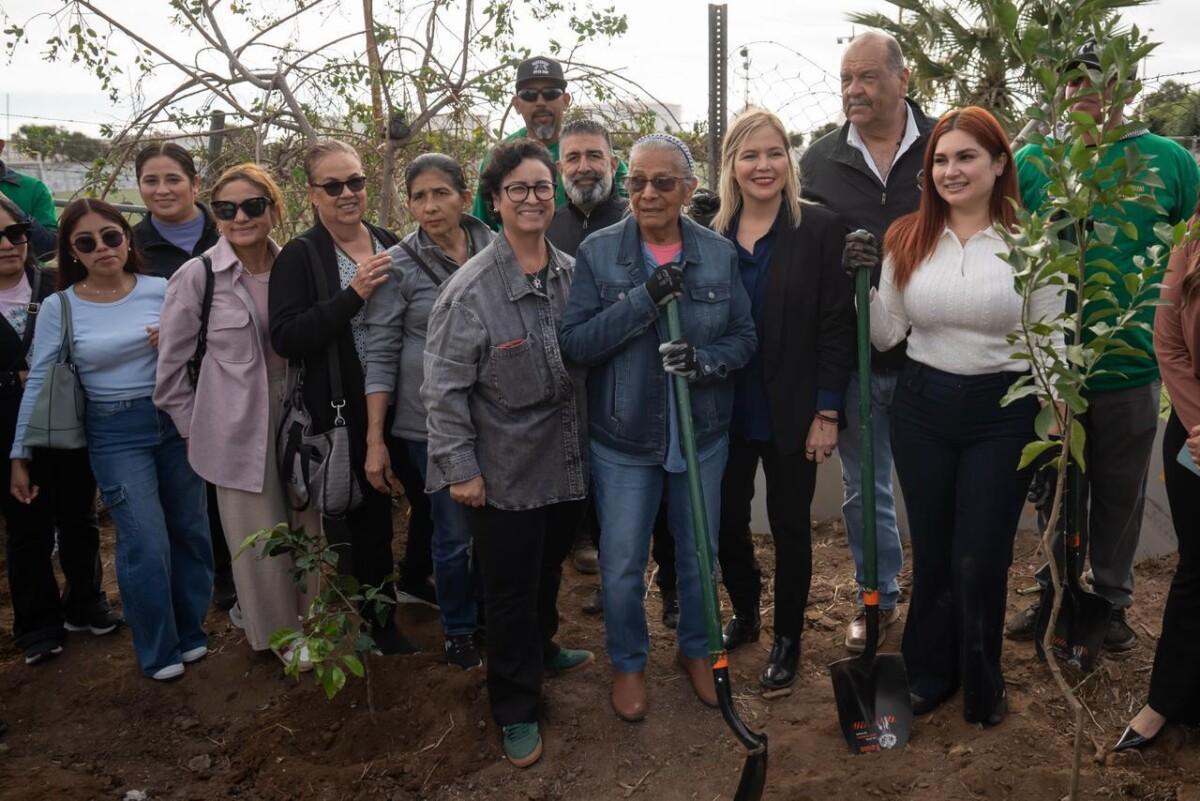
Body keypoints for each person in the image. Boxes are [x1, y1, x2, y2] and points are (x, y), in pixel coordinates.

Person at [848, 106, 1063, 725]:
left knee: (980, 554)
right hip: (923, 407)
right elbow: (888, 336)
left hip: (1005, 411)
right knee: (935, 549)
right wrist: (863, 283)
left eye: (966, 157)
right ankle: (928, 672)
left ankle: (981, 676)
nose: (950, 170)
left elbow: (1049, 346)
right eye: (940, 159)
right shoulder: (908, 238)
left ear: (1000, 165)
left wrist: (1052, 435)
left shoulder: (1032, 244)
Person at [1007, 39, 1200, 652]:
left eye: (1101, 78)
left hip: (1133, 360)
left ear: (1129, 86)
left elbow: (1193, 246)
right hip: (1052, 367)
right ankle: (1052, 591)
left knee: (1121, 490)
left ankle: (1110, 600)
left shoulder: (1169, 161)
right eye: (1074, 81)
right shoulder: (1037, 162)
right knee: (1054, 488)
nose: (1086, 90)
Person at [560, 133, 756, 722]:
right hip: (624, 438)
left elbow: (744, 337)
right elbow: (575, 344)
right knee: (621, 564)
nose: (647, 194)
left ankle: (698, 650)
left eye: (662, 182)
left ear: (689, 190)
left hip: (701, 433)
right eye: (637, 182)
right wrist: (643, 300)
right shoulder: (598, 253)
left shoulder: (716, 253)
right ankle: (628, 662)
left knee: (699, 553)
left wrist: (705, 362)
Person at [423, 139, 593, 768]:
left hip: (569, 461)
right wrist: (461, 469)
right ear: (493, 202)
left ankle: (543, 648)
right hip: (504, 473)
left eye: (542, 187)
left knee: (546, 572)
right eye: (517, 189)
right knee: (510, 592)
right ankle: (516, 705)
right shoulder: (469, 293)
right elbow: (442, 390)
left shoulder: (573, 274)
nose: (532, 199)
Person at [12, 198, 213, 681]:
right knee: (145, 540)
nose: (102, 247)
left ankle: (191, 633)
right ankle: (158, 646)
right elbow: (40, 379)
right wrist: (19, 453)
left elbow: (205, 343)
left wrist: (175, 336)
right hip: (114, 429)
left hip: (174, 420)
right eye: (86, 241)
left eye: (112, 236)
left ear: (128, 239)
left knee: (190, 531)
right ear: (71, 252)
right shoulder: (62, 305)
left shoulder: (163, 288)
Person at [155, 163, 320, 673]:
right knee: (259, 532)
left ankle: (320, 621)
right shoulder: (198, 275)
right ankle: (277, 633)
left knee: (309, 518)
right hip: (233, 423)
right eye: (226, 209)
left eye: (252, 205)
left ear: (274, 208)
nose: (240, 217)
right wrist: (198, 430)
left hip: (299, 409)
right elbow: (170, 375)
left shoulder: (300, 263)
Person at [799, 31, 934, 653]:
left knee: (939, 481)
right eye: (846, 78)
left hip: (936, 354)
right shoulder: (820, 161)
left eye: (868, 77)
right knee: (864, 487)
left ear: (903, 79)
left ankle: (941, 594)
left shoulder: (944, 147)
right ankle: (877, 597)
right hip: (858, 355)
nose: (854, 90)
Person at [712, 108, 855, 689]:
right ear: (731, 166)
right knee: (725, 520)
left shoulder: (820, 230)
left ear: (789, 160)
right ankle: (746, 610)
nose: (763, 165)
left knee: (790, 524)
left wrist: (827, 411)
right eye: (749, 155)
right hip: (725, 408)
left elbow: (835, 327)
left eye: (774, 153)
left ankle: (789, 635)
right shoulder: (712, 234)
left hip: (794, 409)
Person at [269, 140, 416, 656]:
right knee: (367, 517)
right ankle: (379, 624)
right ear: (312, 193)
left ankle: (414, 583)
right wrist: (353, 295)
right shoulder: (301, 256)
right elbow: (286, 337)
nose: (348, 193)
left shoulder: (388, 241)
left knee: (419, 498)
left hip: (403, 399)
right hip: (342, 407)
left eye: (355, 181)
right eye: (334, 186)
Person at [363, 153, 495, 671]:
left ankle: (490, 615)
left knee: (496, 527)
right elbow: (380, 351)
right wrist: (376, 437)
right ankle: (459, 629)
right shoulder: (397, 265)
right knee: (451, 529)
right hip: (430, 424)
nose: (430, 205)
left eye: (441, 193)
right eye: (419, 196)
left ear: (465, 197)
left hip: (496, 416)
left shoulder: (495, 245)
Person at [546, 119, 678, 620]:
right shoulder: (548, 221)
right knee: (602, 489)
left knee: (662, 491)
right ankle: (612, 579)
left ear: (613, 162)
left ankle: (670, 586)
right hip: (573, 376)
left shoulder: (638, 215)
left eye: (594, 156)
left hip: (641, 376)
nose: (584, 166)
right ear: (561, 167)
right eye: (574, 157)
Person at [0, 194, 121, 666]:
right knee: (26, 526)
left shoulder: (55, 285)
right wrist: (15, 379)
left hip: (68, 417)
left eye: (15, 233)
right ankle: (36, 623)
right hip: (7, 427)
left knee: (78, 514)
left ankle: (86, 599)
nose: (8, 245)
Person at [129, 142, 234, 612]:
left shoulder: (231, 225)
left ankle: (240, 567)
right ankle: (214, 577)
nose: (162, 189)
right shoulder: (129, 245)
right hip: (169, 384)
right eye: (151, 180)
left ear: (195, 185)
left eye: (173, 179)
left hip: (233, 375)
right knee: (193, 487)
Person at [1116, 202, 1200, 751]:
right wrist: (1198, 422)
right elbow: (1167, 338)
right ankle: (1169, 700)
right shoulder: (1194, 233)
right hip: (1196, 434)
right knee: (1197, 571)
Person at [471, 56, 628, 229]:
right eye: (529, 95)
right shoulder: (498, 157)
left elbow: (629, 210)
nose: (540, 102)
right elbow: (481, 226)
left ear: (566, 101)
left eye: (550, 93)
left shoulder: (594, 150)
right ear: (516, 104)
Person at [0, 139, 57, 261]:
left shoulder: (34, 189)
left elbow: (49, 250)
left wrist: (11, 207)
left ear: (0, 146)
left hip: (25, 276)